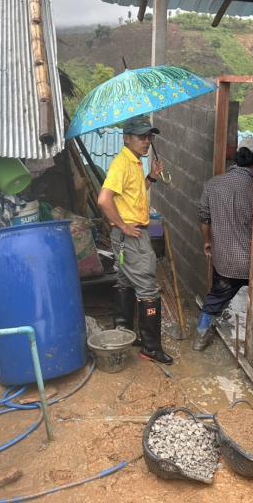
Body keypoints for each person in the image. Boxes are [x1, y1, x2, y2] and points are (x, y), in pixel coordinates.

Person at [97, 116, 172, 365]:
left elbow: (132, 195)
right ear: (127, 138)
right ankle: (151, 348)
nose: (147, 141)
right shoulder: (122, 164)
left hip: (129, 236)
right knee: (148, 287)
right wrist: (123, 226)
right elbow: (104, 200)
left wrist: (152, 177)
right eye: (141, 137)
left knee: (126, 281)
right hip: (132, 236)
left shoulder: (135, 162)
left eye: (149, 136)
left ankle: (125, 332)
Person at [193, 138, 253, 351]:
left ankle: (200, 337)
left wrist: (207, 241)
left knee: (216, 297)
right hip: (251, 263)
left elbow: (204, 218)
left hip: (224, 261)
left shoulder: (213, 184)